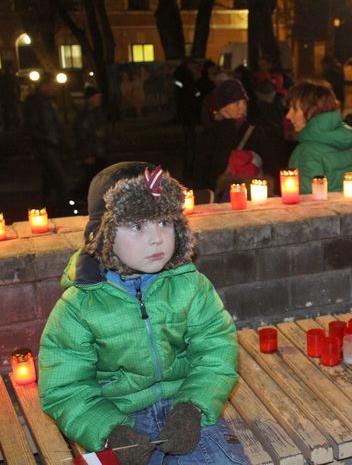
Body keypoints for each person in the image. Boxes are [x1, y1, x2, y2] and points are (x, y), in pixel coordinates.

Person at [38, 162, 247, 464]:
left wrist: (194, 407)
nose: (157, 238)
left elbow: (216, 347)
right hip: (119, 417)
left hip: (184, 405)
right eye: (137, 226)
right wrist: (110, 432)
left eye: (164, 222)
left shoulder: (190, 285)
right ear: (104, 236)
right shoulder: (79, 306)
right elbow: (65, 387)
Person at [286, 79, 352, 194]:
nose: (288, 115)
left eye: (294, 109)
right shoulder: (341, 139)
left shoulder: (307, 151)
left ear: (312, 111)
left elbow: (309, 202)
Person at [195, 79, 264, 197]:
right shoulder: (210, 137)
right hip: (223, 202)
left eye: (244, 102)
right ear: (223, 108)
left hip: (253, 199)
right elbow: (201, 175)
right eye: (236, 103)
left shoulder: (255, 133)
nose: (242, 108)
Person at [23, 73, 71, 215]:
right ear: (44, 86)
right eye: (52, 85)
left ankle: (47, 210)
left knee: (49, 180)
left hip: (52, 145)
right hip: (44, 146)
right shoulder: (35, 103)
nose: (55, 88)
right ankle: (64, 210)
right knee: (60, 179)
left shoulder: (48, 102)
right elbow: (31, 127)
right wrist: (47, 140)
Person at [74, 86, 109, 199]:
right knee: (91, 179)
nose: (99, 100)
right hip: (92, 153)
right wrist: (87, 154)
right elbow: (82, 136)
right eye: (96, 97)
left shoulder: (98, 112)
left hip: (100, 151)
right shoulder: (84, 115)